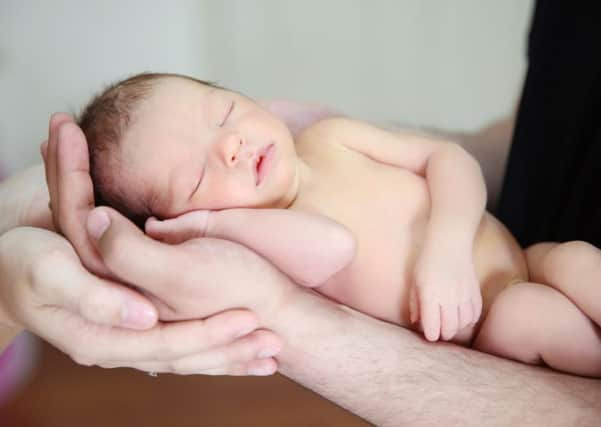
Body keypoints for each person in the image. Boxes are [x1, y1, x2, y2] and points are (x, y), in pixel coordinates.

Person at [73, 71, 600, 376]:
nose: (230, 145)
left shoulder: (331, 138)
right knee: (531, 312)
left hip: (516, 255)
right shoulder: (277, 237)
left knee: (575, 258)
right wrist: (214, 227)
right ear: (180, 221)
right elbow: (333, 245)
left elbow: (449, 161)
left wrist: (448, 248)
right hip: (490, 324)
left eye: (224, 112)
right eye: (195, 176)